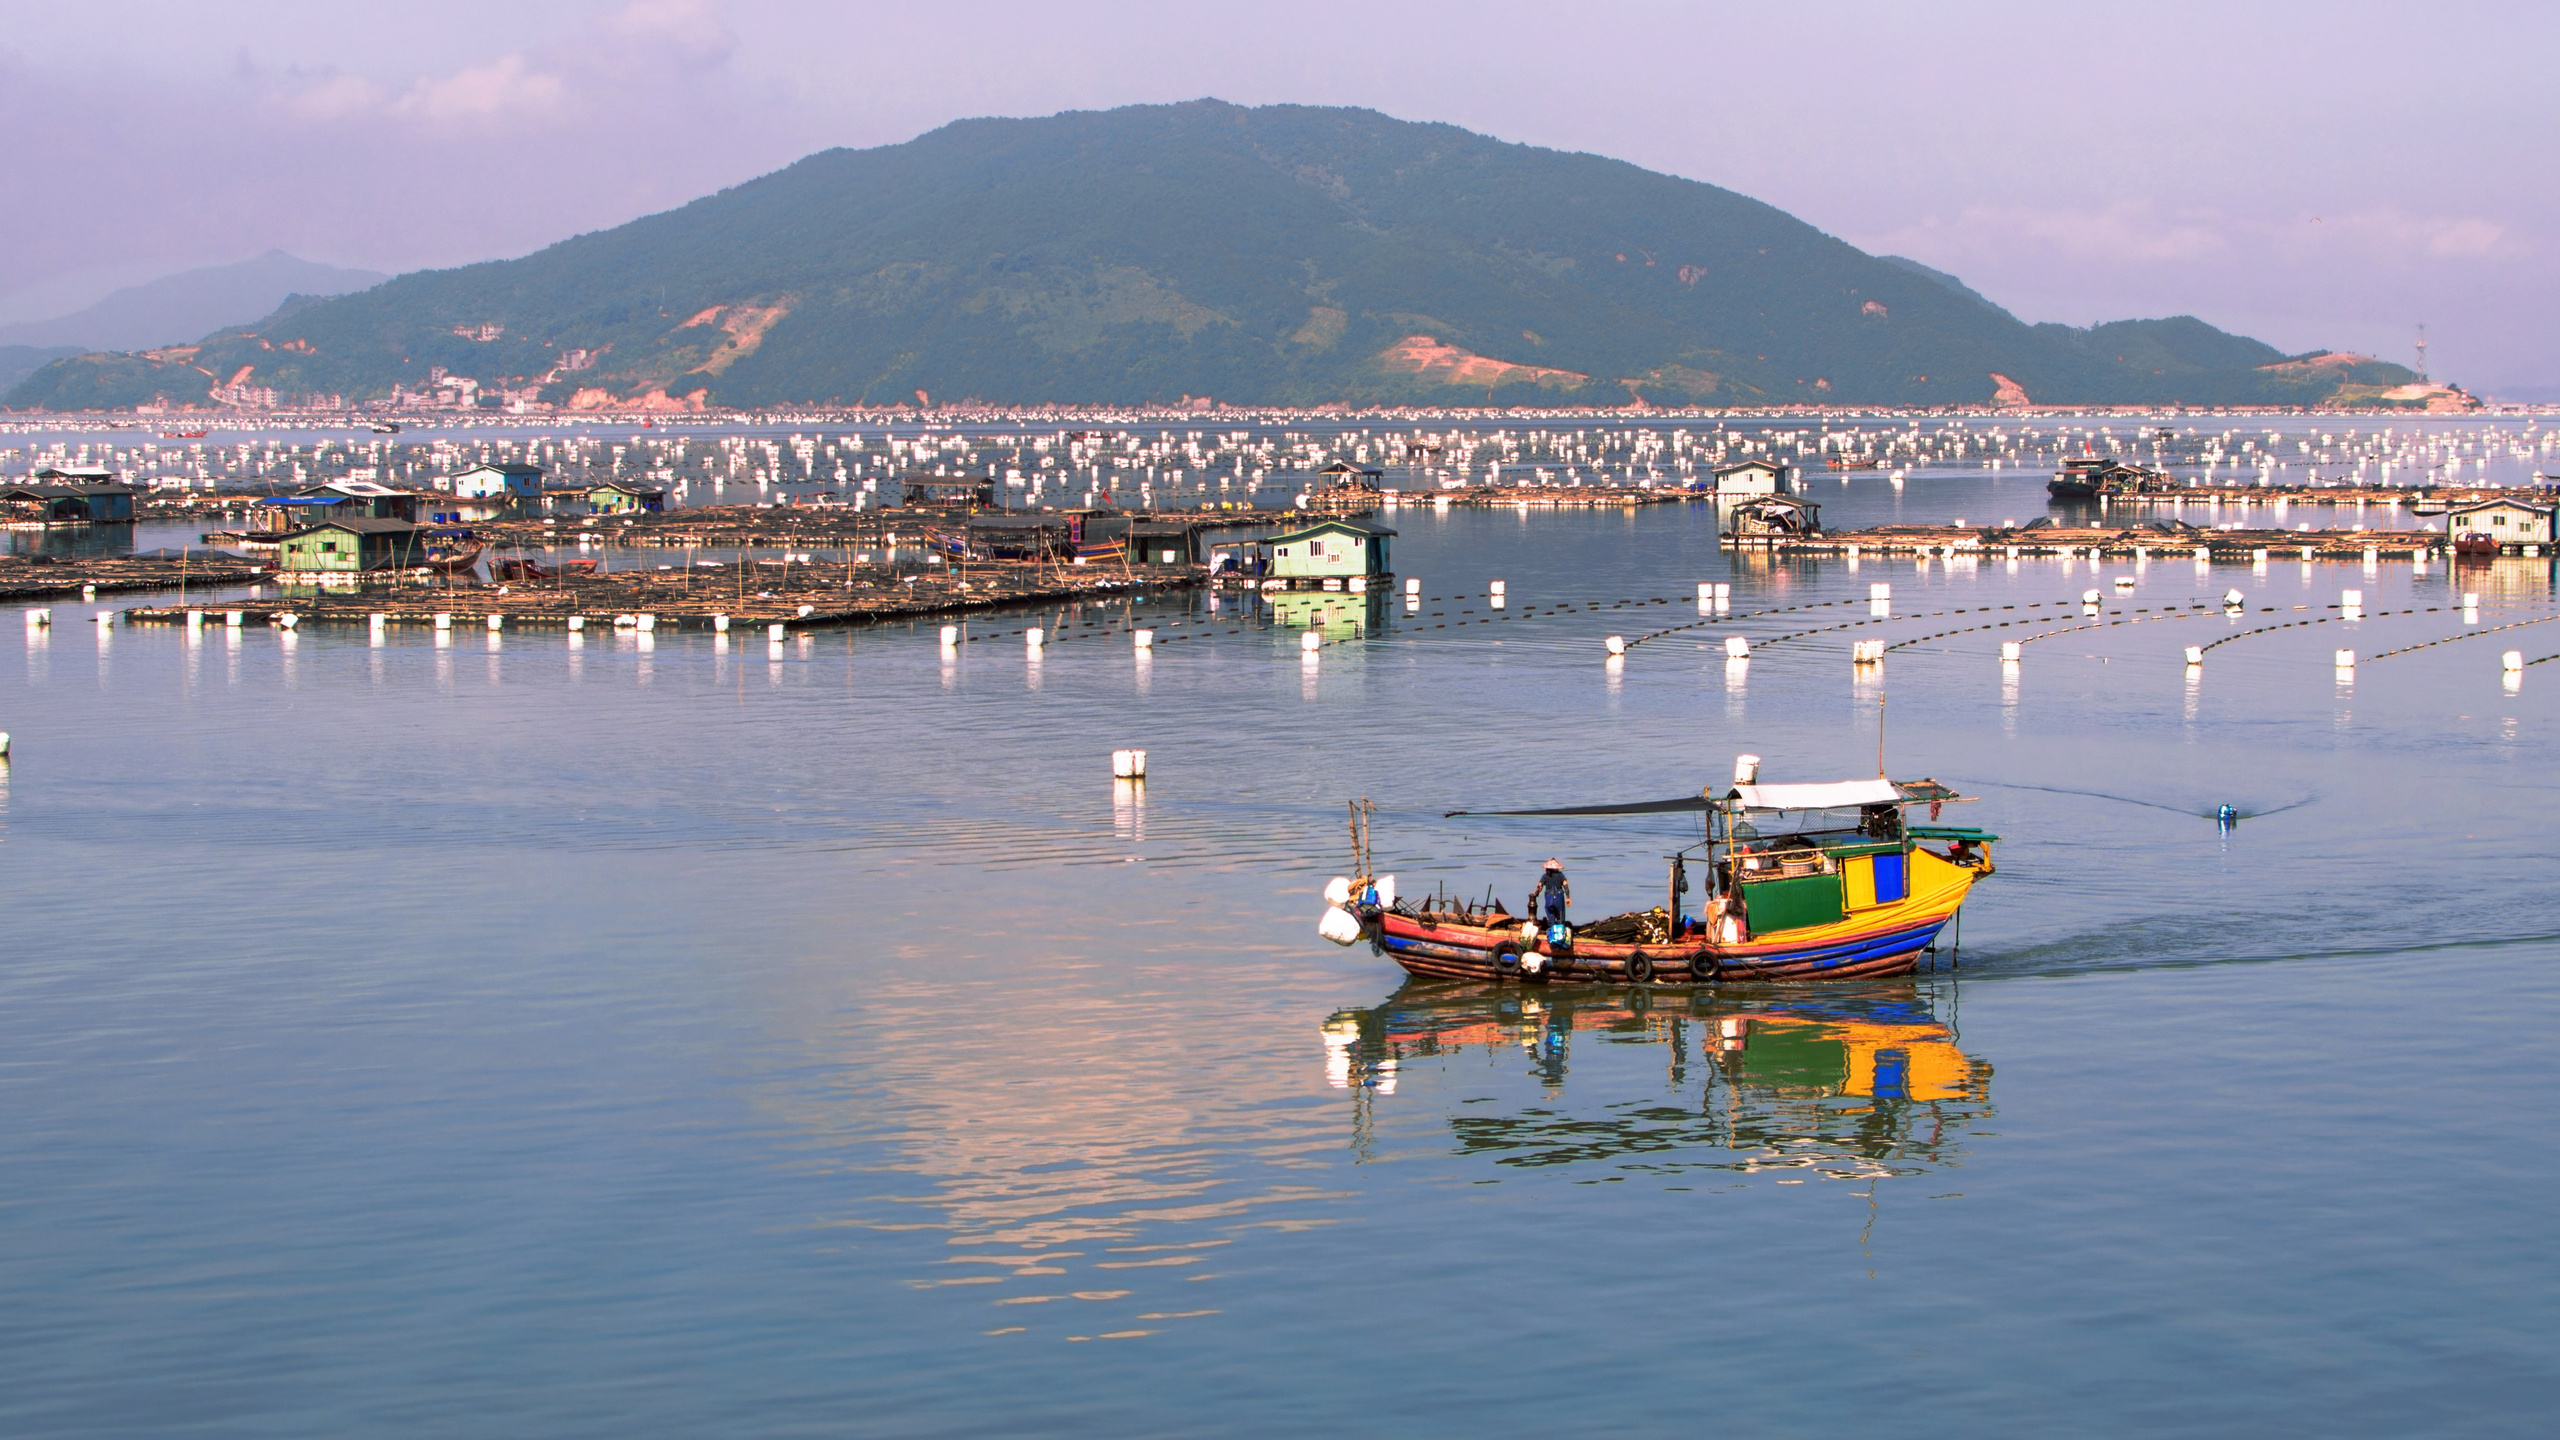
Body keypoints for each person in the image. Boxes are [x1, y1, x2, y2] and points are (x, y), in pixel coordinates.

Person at [1532, 859, 1570, 927]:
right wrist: (1568, 897)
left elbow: (1540, 886)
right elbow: (1565, 885)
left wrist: (1536, 893)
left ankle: (1552, 929)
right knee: (1560, 917)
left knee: (1551, 916)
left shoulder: (1545, 876)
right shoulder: (1561, 875)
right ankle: (1560, 931)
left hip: (1549, 899)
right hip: (1559, 899)